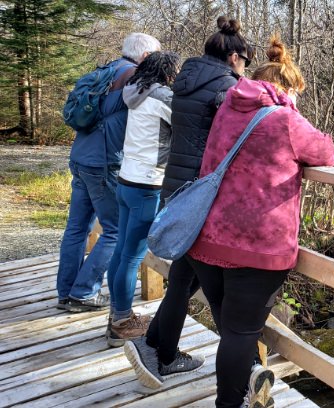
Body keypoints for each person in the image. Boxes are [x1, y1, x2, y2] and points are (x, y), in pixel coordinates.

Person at [191, 34, 334, 408]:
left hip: (207, 237)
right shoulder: (286, 119)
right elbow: (326, 152)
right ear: (287, 88)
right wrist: (295, 113)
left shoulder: (228, 107)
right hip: (257, 246)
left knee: (231, 327)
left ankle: (246, 388)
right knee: (241, 332)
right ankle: (230, 402)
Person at [123, 16, 253, 387]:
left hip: (177, 185)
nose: (245, 67)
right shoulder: (226, 89)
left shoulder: (184, 80)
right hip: (204, 192)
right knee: (185, 279)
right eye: (245, 60)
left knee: (185, 274)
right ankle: (164, 356)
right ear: (234, 57)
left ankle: (154, 343)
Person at [58, 33, 162, 313]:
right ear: (144, 56)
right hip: (104, 162)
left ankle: (66, 291)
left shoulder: (104, 71)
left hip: (81, 156)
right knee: (115, 230)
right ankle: (83, 292)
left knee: (77, 228)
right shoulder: (133, 78)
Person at [105, 51, 181, 347]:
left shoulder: (134, 91)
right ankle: (122, 323)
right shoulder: (161, 97)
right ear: (167, 72)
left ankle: (117, 316)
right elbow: (185, 122)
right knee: (132, 256)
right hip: (148, 183)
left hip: (127, 179)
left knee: (121, 251)